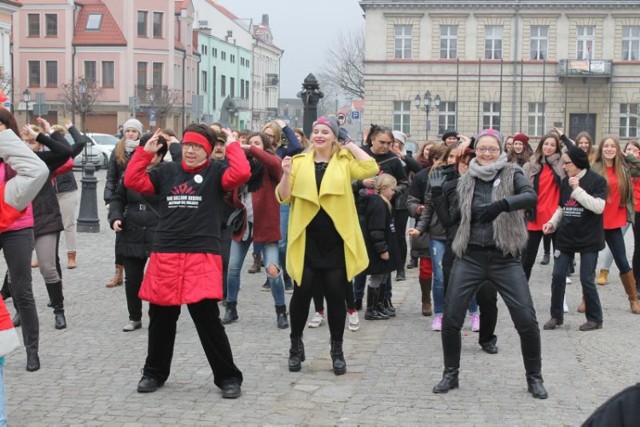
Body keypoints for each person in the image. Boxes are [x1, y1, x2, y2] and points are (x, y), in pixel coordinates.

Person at [123, 124, 250, 398]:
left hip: (201, 254)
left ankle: (228, 377)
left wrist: (232, 144)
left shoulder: (216, 172)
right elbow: (133, 182)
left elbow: (241, 172)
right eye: (188, 145)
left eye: (198, 147)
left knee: (208, 319)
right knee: (160, 318)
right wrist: (143, 155)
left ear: (207, 150)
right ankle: (153, 372)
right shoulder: (167, 172)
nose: (191, 151)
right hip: (166, 253)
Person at [432, 129, 547, 400]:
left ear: (500, 151)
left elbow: (530, 197)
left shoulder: (512, 173)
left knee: (526, 320)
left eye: (492, 149)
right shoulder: (464, 179)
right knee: (451, 319)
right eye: (482, 149)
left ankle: (534, 377)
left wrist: (501, 206)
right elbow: (450, 221)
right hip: (470, 256)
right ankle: (451, 373)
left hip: (504, 258)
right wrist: (437, 194)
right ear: (475, 151)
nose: (486, 153)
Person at [276, 116, 378, 375]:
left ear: (334, 136)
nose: (319, 135)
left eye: (325, 131)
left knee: (335, 295)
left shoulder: (344, 162)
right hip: (306, 238)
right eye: (316, 131)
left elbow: (371, 168)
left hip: (335, 239)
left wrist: (349, 144)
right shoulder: (299, 162)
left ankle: (337, 350)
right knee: (301, 294)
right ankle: (295, 346)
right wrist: (286, 174)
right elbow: (284, 197)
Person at [0, 119, 48, 425]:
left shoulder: (14, 149)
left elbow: (39, 171)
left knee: (22, 289)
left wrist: (7, 140)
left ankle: (33, 350)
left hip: (16, 223)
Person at [429, 148, 500, 354]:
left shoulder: (491, 187)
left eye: (471, 165)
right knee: (453, 298)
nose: (467, 169)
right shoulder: (451, 186)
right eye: (463, 164)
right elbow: (447, 220)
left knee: (488, 298)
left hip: (486, 249)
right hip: (457, 248)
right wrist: (436, 193)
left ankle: (487, 338)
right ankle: (452, 340)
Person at [222, 132, 288, 329]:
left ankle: (281, 310)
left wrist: (251, 149)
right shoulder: (242, 167)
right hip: (245, 225)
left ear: (265, 146)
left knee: (272, 270)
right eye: (249, 143)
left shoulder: (271, 165)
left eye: (257, 143)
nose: (251, 146)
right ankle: (231, 308)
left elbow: (275, 164)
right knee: (233, 268)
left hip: (266, 225)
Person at [542, 138, 607, 331]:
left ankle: (595, 319)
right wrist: (552, 222)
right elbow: (562, 207)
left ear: (578, 163)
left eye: (567, 163)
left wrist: (577, 190)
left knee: (587, 278)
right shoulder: (564, 181)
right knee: (558, 275)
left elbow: (598, 207)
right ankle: (556, 316)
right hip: (566, 236)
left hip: (589, 238)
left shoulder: (597, 181)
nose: (564, 166)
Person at [109, 133, 167, 332]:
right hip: (131, 231)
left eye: (155, 154)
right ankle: (134, 316)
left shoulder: (166, 174)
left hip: (157, 232)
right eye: (147, 152)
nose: (151, 157)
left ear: (160, 156)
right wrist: (115, 217)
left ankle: (156, 315)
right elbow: (117, 199)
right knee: (132, 279)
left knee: (158, 278)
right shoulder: (128, 173)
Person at [590, 135, 639, 314]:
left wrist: (627, 155)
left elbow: (639, 167)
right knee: (590, 261)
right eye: (606, 146)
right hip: (596, 221)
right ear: (601, 149)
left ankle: (633, 299)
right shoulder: (595, 168)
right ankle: (587, 300)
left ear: (617, 150)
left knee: (622, 261)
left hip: (615, 220)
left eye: (613, 147)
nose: (609, 149)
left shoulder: (624, 167)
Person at [104, 118, 144, 288]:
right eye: (128, 130)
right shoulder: (118, 149)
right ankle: (118, 273)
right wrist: (108, 198)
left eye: (133, 131)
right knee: (119, 236)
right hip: (121, 197)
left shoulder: (143, 149)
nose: (130, 134)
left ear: (139, 134)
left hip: (137, 197)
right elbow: (111, 176)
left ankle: (137, 272)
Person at [521, 132, 565, 280]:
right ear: (541, 145)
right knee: (526, 260)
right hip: (535, 216)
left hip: (556, 218)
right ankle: (521, 296)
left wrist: (563, 136)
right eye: (546, 144)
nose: (549, 147)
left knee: (560, 262)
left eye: (553, 144)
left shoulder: (562, 163)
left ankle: (559, 299)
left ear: (557, 147)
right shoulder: (530, 165)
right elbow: (521, 189)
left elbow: (577, 152)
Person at [361, 174, 400, 320]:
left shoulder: (383, 202)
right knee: (377, 278)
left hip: (383, 247)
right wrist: (382, 249)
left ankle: (379, 305)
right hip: (378, 250)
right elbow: (376, 230)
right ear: (383, 189)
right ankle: (371, 310)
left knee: (383, 276)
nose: (394, 192)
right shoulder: (378, 204)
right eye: (392, 189)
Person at [52, 123, 86, 269]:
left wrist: (71, 127)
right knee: (46, 226)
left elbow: (81, 142)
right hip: (49, 193)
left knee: (68, 224)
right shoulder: (46, 152)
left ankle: (71, 256)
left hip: (67, 191)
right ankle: (45, 256)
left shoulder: (68, 152)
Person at [391, 130, 422, 281]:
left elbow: (418, 169)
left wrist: (402, 156)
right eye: (392, 142)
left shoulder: (406, 157)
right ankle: (388, 263)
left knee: (399, 235)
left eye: (397, 142)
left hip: (401, 202)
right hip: (385, 200)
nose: (394, 145)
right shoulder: (384, 157)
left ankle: (399, 269)